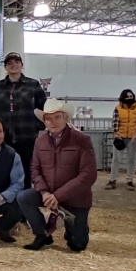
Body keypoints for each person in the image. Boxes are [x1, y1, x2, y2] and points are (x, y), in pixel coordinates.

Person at [17, 98, 97, 252]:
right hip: (49, 194)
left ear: (65, 118)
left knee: (77, 245)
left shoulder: (82, 140)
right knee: (24, 197)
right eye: (48, 118)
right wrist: (45, 192)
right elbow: (35, 169)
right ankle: (42, 234)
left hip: (75, 199)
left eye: (57, 117)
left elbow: (88, 174)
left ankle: (71, 228)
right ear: (44, 122)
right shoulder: (40, 142)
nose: (53, 122)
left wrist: (58, 196)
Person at [0, 52, 47, 189]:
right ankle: (6, 201)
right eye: (9, 63)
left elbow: (43, 107)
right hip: (3, 137)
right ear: (5, 67)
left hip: (27, 136)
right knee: (4, 168)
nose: (13, 65)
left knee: (26, 169)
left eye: (17, 62)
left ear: (22, 65)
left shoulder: (33, 84)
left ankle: (23, 201)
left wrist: (38, 125)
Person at [106, 89, 136, 191]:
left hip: (133, 138)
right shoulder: (118, 109)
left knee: (131, 159)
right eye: (128, 97)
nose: (130, 99)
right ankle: (112, 180)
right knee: (116, 159)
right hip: (120, 137)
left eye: (131, 97)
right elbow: (115, 121)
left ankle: (129, 181)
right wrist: (116, 133)